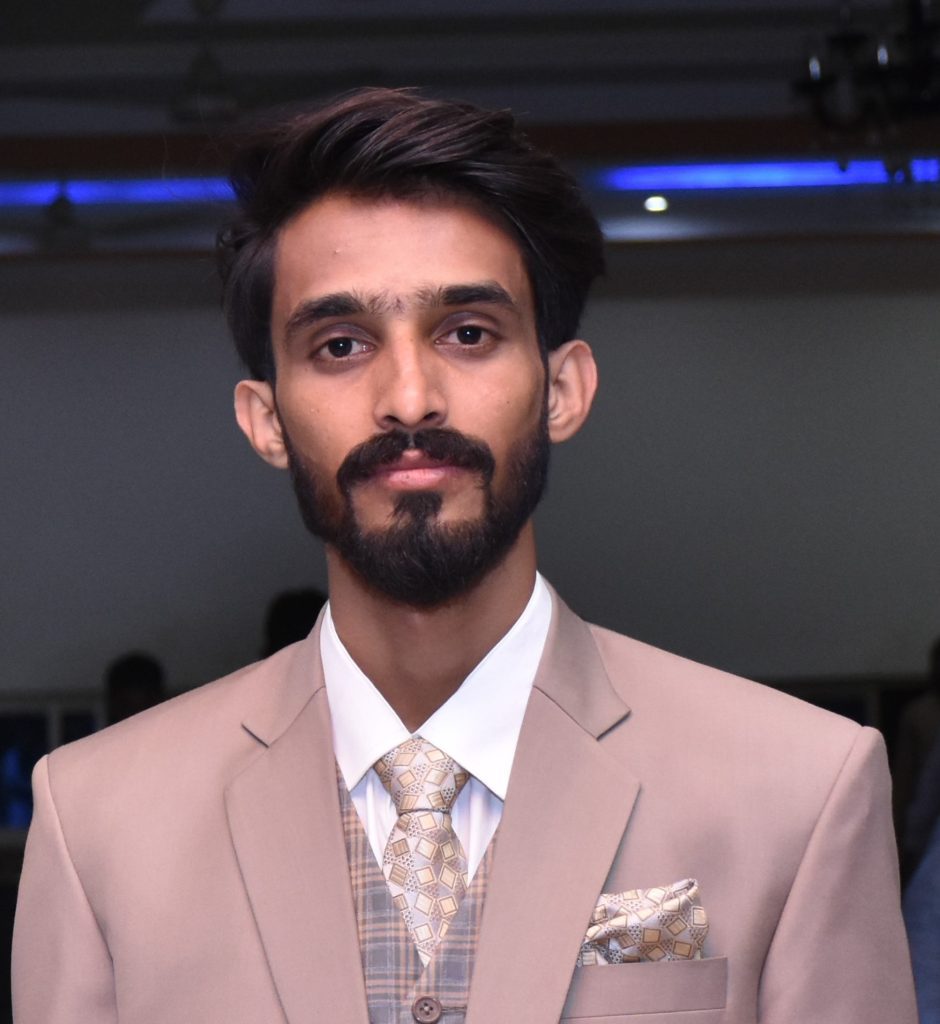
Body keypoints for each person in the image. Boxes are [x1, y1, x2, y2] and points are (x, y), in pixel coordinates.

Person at [12, 88, 915, 1023]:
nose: (409, 399)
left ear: (562, 389)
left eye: (469, 334)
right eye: (340, 345)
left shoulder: (798, 787)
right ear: (267, 419)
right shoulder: (100, 822)